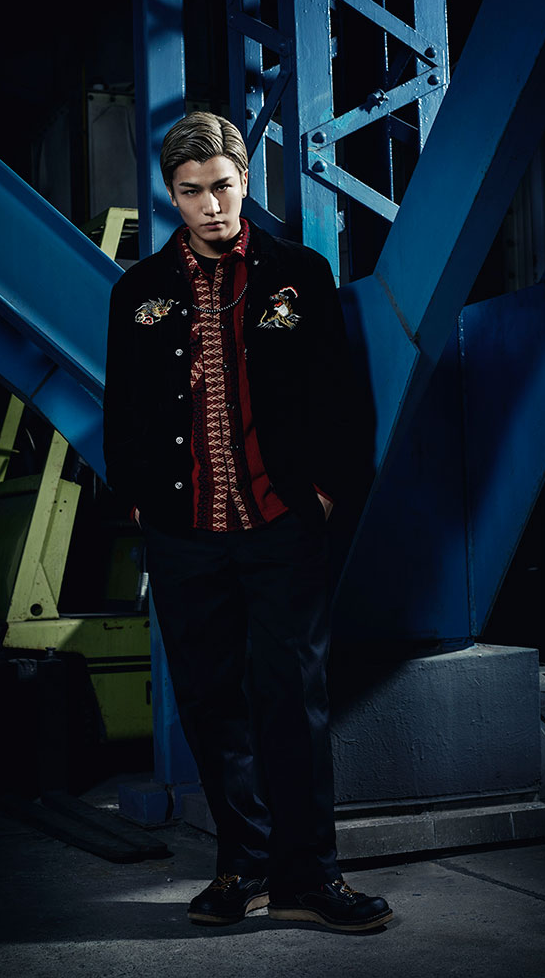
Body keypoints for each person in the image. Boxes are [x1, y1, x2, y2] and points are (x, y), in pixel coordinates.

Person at [103, 112, 391, 932]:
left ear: (245, 179)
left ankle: (312, 877)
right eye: (191, 191)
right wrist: (139, 501)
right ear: (172, 194)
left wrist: (324, 494)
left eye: (222, 187)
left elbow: (340, 395)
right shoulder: (138, 291)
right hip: (184, 530)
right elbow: (121, 405)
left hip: (280, 524)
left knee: (292, 697)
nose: (211, 206)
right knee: (209, 700)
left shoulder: (299, 274)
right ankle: (244, 866)